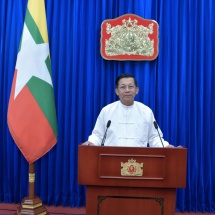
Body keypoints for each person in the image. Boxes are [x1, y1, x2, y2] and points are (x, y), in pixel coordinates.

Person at [84, 73, 172, 147]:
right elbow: (98, 135)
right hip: (112, 159)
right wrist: (91, 142)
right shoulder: (107, 110)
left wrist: (166, 146)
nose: (127, 90)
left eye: (130, 87)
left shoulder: (146, 111)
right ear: (117, 91)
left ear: (137, 90)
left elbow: (154, 137)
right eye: (123, 87)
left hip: (138, 162)